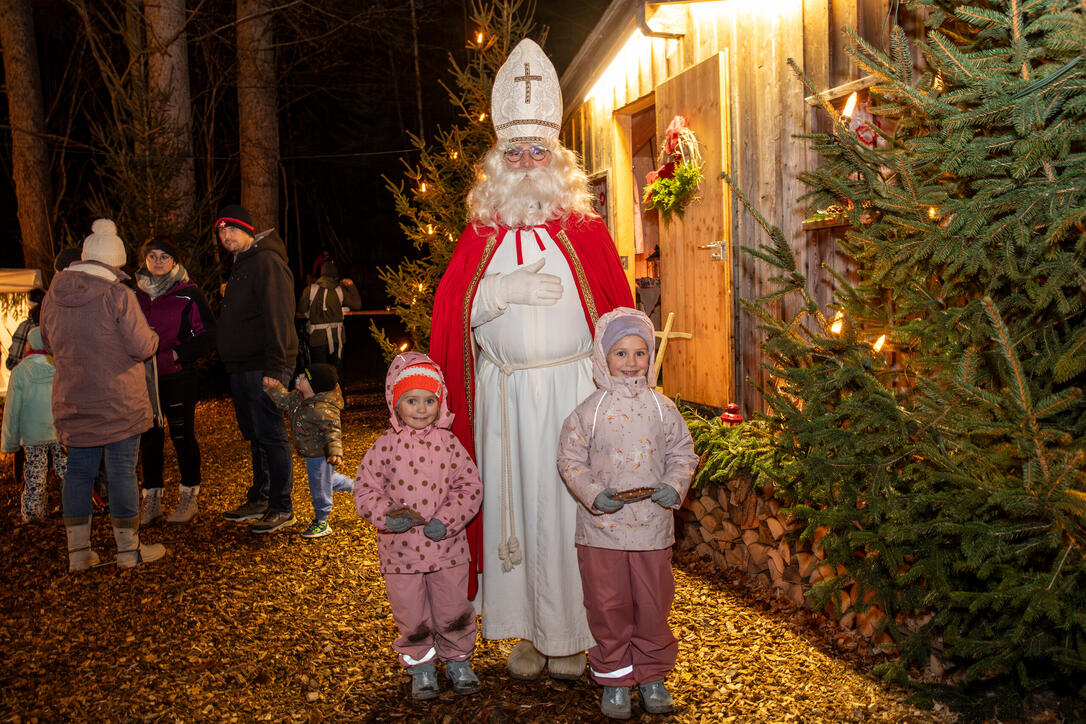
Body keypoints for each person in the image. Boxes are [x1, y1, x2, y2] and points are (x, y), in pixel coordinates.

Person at [429, 37, 635, 680]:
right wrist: (494, 293)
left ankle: (570, 634)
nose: (524, 161)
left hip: (575, 394)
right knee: (517, 509)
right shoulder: (481, 234)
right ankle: (523, 631)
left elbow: (617, 312)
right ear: (498, 161)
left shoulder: (586, 229)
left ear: (555, 158)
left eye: (535, 150)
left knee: (567, 511)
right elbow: (448, 313)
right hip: (506, 399)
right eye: (513, 152)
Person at [556, 308, 696, 719]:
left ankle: (652, 675)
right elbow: (569, 458)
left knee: (653, 604)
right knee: (608, 604)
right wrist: (594, 494)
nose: (631, 362)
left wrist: (675, 483)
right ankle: (615, 676)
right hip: (602, 529)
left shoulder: (663, 407)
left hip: (652, 528)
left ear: (650, 357)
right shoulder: (589, 410)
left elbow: (682, 452)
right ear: (603, 357)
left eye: (639, 353)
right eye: (621, 353)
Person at [353, 352, 483, 701]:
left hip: (447, 549)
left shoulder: (450, 445)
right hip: (402, 554)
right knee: (411, 612)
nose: (421, 408)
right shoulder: (383, 447)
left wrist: (448, 520)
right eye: (412, 400)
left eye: (429, 400)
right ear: (396, 403)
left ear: (439, 403)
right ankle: (421, 665)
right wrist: (386, 516)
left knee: (453, 608)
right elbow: (365, 490)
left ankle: (458, 659)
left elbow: (469, 487)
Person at [40, 218, 165, 570]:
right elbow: (142, 347)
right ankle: (128, 550)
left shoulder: (54, 295)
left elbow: (48, 342)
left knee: (79, 472)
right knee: (122, 471)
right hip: (118, 403)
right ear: (115, 261)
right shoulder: (118, 295)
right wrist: (153, 335)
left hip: (73, 400)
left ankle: (78, 553)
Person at [215, 204, 299, 534]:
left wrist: (276, 367)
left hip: (265, 364)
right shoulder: (242, 264)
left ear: (248, 231)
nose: (226, 235)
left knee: (271, 433)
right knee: (255, 435)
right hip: (242, 366)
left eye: (232, 229)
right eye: (221, 231)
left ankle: (282, 505)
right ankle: (261, 497)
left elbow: (279, 315)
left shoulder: (266, 262)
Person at [134, 235, 216, 525]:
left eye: (163, 256)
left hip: (178, 376)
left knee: (182, 435)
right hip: (144, 378)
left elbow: (207, 334)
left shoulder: (188, 293)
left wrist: (178, 355)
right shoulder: (135, 294)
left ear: (174, 261)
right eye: (152, 255)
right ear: (145, 260)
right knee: (150, 438)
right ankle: (152, 499)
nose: (157, 261)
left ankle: (189, 495)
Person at [262, 362, 353, 539]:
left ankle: (322, 520)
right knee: (327, 480)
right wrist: (274, 388)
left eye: (304, 378)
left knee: (319, 486)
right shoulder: (299, 397)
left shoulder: (323, 409)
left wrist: (334, 452)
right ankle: (353, 486)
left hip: (321, 454)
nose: (298, 377)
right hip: (311, 453)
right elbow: (284, 401)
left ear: (314, 387)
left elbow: (333, 432)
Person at [1, 327, 66, 523]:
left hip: (33, 433)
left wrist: (9, 443)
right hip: (59, 429)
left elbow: (12, 410)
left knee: (35, 474)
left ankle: (33, 514)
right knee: (68, 471)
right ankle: (74, 507)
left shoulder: (20, 372)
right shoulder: (59, 367)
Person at [297, 260, 360, 380]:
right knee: (337, 374)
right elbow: (357, 304)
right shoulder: (340, 290)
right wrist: (351, 286)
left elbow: (301, 308)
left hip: (318, 339)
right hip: (338, 338)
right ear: (336, 276)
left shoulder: (310, 289)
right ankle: (339, 398)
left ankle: (322, 398)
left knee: (320, 375)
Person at [5, 287, 45, 371]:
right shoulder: (52, 327)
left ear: (29, 305)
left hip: (26, 376)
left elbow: (13, 361)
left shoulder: (26, 326)